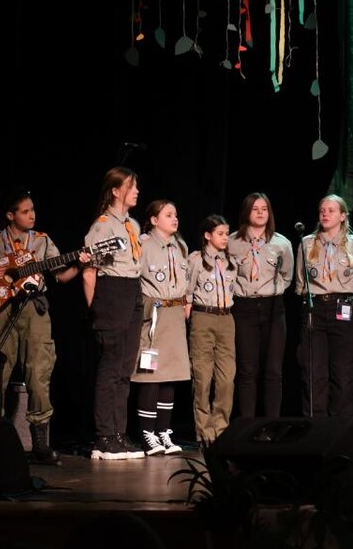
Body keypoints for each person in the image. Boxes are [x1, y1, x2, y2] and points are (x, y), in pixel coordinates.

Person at [0, 186, 89, 465]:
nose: (32, 215)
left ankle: (40, 443)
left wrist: (80, 264)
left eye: (33, 210)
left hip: (34, 309)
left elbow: (61, 276)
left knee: (39, 372)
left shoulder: (41, 241)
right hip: (2, 310)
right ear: (10, 215)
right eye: (25, 211)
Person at [81, 166, 146, 461]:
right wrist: (96, 308)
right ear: (116, 191)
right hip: (112, 292)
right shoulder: (103, 225)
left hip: (132, 289)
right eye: (131, 186)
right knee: (110, 367)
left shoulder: (133, 224)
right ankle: (104, 436)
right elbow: (89, 271)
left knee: (124, 369)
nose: (136, 191)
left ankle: (119, 433)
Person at [293, 195, 353, 419]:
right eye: (322, 210)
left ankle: (340, 426)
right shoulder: (307, 243)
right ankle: (315, 425)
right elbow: (300, 281)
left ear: (343, 216)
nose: (325, 214)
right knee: (313, 371)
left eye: (331, 210)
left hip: (343, 308)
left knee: (343, 372)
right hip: (314, 307)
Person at [227, 193, 294, 419]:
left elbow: (287, 276)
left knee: (273, 370)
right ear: (247, 212)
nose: (260, 213)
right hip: (243, 307)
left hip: (273, 307)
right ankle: (248, 424)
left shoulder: (281, 243)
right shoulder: (232, 242)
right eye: (255, 208)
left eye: (264, 209)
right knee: (247, 370)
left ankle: (271, 424)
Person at [133, 199, 190, 456]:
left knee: (171, 375)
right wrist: (143, 309)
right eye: (168, 215)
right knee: (151, 375)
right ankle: (147, 433)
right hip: (154, 317)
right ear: (154, 220)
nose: (174, 218)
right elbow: (134, 279)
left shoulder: (181, 246)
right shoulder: (143, 244)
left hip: (175, 317)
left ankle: (163, 432)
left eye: (175, 214)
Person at [186, 214, 238, 448]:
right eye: (220, 234)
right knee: (202, 377)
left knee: (227, 378)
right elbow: (188, 293)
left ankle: (221, 428)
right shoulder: (196, 259)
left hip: (226, 318)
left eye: (226, 233)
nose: (225, 238)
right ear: (207, 235)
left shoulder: (231, 261)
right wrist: (188, 319)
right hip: (203, 317)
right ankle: (204, 432)